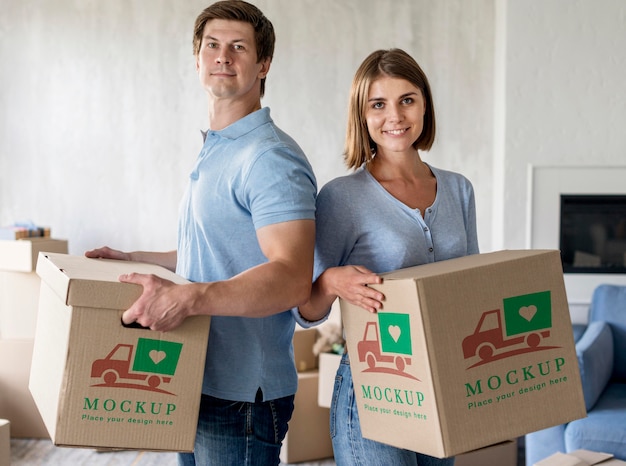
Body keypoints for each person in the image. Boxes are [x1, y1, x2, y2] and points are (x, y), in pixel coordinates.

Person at [86, 1, 320, 465]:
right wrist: (135, 257)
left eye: (238, 47)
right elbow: (215, 252)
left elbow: (292, 277)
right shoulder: (219, 149)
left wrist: (188, 299)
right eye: (212, 45)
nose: (223, 56)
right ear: (196, 58)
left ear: (264, 64)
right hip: (197, 372)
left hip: (241, 396)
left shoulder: (269, 158)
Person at [298, 48, 479, 465]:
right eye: (378, 104)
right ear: (362, 115)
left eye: (407, 100)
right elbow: (305, 307)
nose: (394, 116)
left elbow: (470, 286)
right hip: (375, 381)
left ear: (424, 105)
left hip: (442, 379)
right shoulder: (342, 198)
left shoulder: (459, 190)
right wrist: (329, 282)